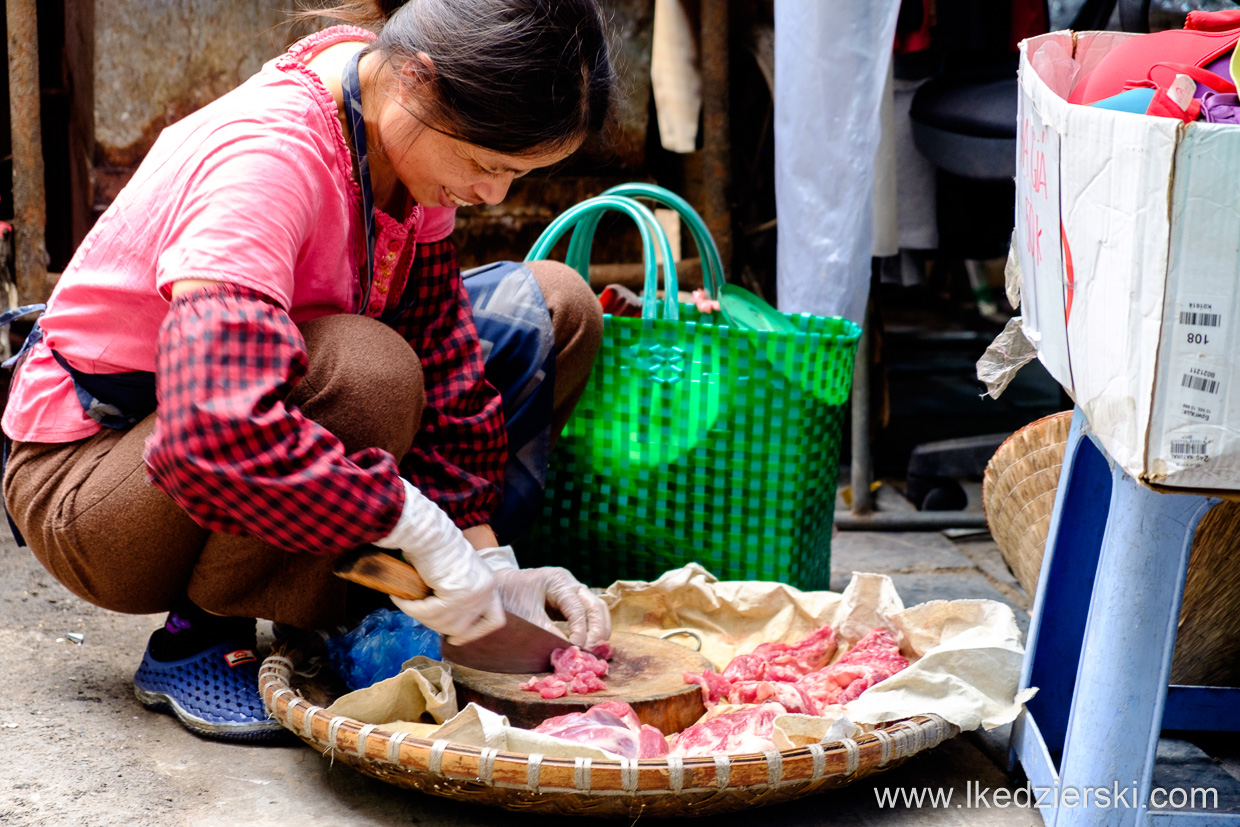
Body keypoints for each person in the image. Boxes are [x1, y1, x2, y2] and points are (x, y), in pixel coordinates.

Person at [1, 0, 615, 742]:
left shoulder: (396, 117)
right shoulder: (272, 158)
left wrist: (488, 560)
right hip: (94, 483)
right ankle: (200, 636)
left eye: (516, 174)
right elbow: (211, 434)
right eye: (488, 165)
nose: (495, 195)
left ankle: (364, 595)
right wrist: (409, 521)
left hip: (231, 430)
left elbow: (447, 355)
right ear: (419, 84)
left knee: (553, 309)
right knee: (369, 373)